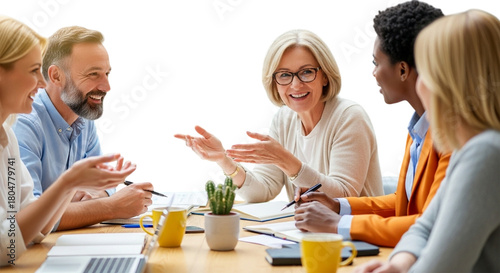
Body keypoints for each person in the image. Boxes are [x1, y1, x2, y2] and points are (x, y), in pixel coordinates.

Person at [293, 0, 450, 247]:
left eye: (376, 63)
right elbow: (404, 202)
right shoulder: (419, 128)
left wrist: (337, 225)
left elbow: (429, 224)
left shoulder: (453, 136)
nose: (374, 73)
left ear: (402, 70)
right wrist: (337, 206)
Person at [355, 9, 500, 273]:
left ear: (452, 81)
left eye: (427, 73)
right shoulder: (471, 148)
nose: (419, 85)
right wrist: (399, 265)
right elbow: (424, 227)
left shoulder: (487, 153)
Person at [175, 29, 383, 202]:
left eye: (307, 72)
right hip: (310, 233)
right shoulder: (284, 119)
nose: (295, 84)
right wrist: (224, 160)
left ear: (325, 76)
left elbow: (343, 197)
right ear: (274, 82)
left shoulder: (349, 117)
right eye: (284, 75)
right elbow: (263, 190)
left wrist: (287, 161)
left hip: (357, 239)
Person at [0, 15, 136, 266]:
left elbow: (35, 229)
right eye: (33, 71)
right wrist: (73, 185)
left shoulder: (7, 135)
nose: (41, 83)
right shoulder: (22, 125)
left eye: (106, 73)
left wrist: (75, 186)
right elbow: (10, 240)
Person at [12, 26, 153, 230]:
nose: (106, 86)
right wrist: (110, 207)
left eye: (106, 73)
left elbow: (102, 185)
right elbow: (29, 219)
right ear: (56, 76)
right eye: (93, 74)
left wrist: (97, 198)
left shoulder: (83, 118)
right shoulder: (24, 124)